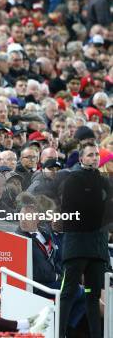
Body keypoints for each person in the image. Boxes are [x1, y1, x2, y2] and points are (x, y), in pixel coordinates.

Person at [58, 143, 111, 338]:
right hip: (77, 248)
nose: (95, 158)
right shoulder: (73, 180)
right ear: (81, 159)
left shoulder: (105, 181)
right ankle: (59, 333)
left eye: (96, 155)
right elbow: (74, 211)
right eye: (90, 155)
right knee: (68, 293)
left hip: (97, 249)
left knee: (93, 295)